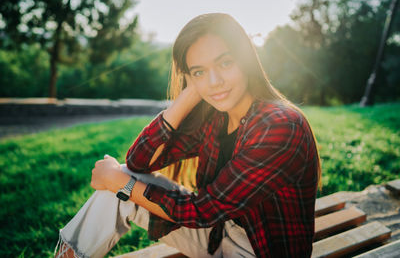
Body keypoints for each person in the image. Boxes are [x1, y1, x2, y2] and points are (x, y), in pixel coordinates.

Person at [55, 13, 321, 258]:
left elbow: (203, 210)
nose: (214, 81)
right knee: (122, 178)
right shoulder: (216, 117)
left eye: (225, 63)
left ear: (246, 60)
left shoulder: (280, 125)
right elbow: (139, 162)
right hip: (217, 235)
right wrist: (188, 97)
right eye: (199, 71)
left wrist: (120, 183)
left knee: (121, 183)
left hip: (259, 250)